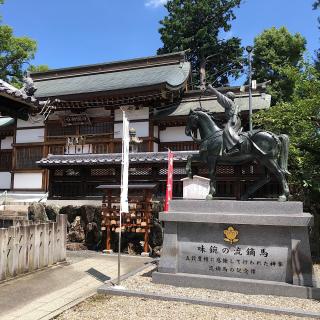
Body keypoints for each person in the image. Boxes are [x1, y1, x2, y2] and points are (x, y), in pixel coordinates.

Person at [207, 84, 243, 155]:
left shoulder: (229, 102)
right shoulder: (233, 104)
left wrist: (211, 88)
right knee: (223, 129)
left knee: (227, 131)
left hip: (234, 120)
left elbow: (219, 95)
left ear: (228, 97)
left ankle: (234, 148)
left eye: (226, 96)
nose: (225, 97)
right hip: (234, 120)